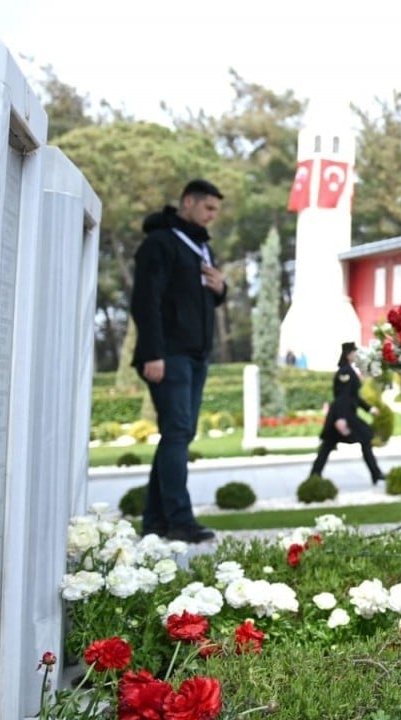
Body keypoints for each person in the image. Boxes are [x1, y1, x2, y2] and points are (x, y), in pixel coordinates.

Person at [130, 179, 228, 544]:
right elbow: (145, 301)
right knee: (176, 432)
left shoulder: (201, 247)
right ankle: (180, 520)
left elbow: (198, 298)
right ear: (188, 202)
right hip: (167, 355)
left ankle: (155, 521)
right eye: (208, 209)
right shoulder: (160, 243)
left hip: (195, 354)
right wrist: (154, 353)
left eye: (216, 211)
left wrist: (221, 289)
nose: (212, 217)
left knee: (180, 433)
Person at [308, 342, 386, 485]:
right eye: (354, 353)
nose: (356, 355)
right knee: (332, 445)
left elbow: (353, 397)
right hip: (342, 415)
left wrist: (369, 409)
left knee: (332, 445)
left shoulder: (348, 370)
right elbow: (343, 397)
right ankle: (314, 476)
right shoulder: (345, 372)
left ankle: (376, 474)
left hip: (344, 414)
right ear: (348, 354)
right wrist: (341, 419)